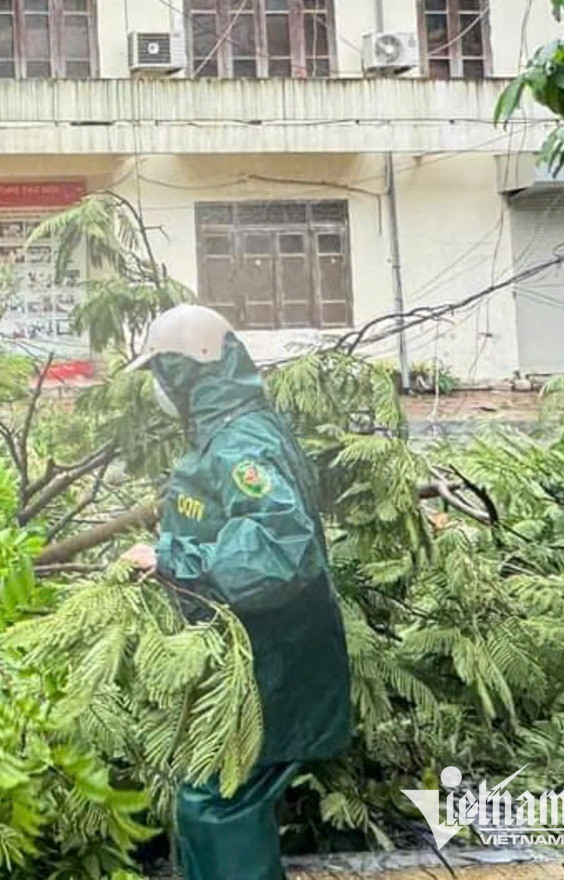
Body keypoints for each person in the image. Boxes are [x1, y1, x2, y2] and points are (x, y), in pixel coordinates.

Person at [119, 304, 351, 880]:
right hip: (245, 659)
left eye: (161, 373)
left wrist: (174, 558)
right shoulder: (225, 434)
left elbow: (282, 548)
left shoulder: (242, 445)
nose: (158, 389)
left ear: (189, 371)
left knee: (217, 802)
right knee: (213, 800)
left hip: (274, 664)